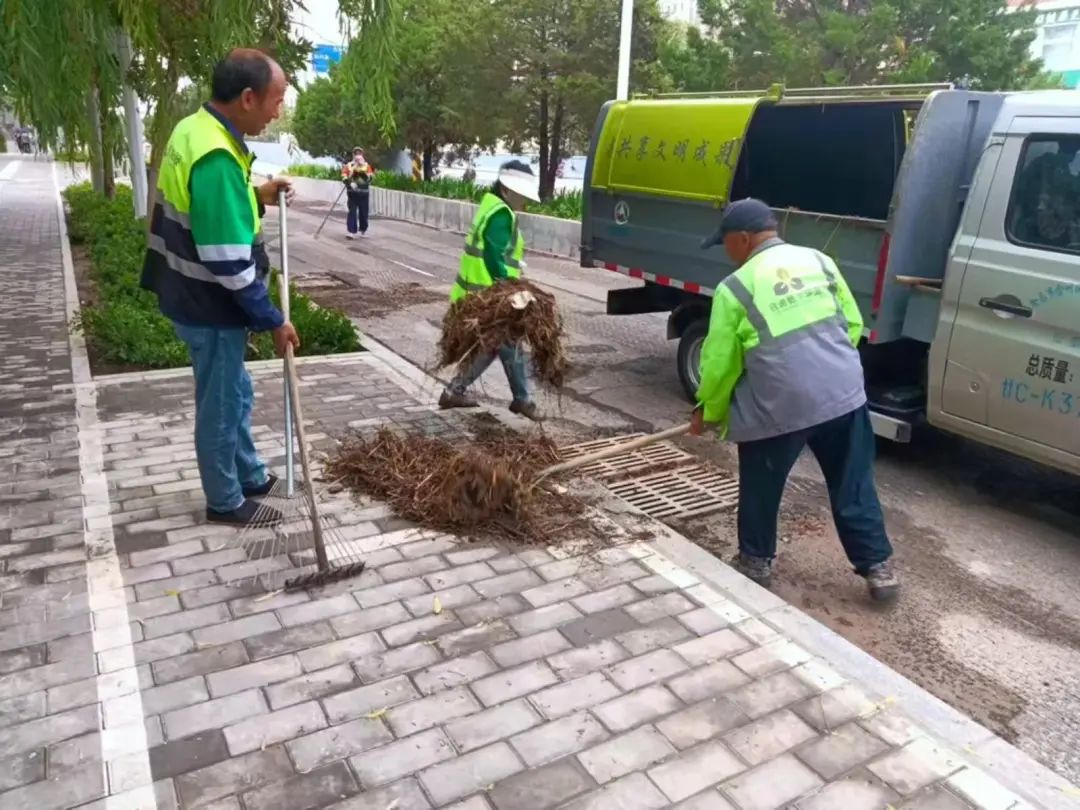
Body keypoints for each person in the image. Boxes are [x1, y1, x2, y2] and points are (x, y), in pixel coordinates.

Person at [691, 198, 899, 602]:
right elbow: (852, 322)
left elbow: (719, 364)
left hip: (781, 406)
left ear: (744, 238)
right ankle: (878, 567)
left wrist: (710, 412)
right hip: (844, 394)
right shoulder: (819, 261)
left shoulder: (734, 287)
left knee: (762, 485)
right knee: (853, 482)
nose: (726, 253)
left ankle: (755, 562)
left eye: (726, 243)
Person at [140, 49, 299, 528]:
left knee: (236, 392)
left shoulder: (198, 129)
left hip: (197, 294)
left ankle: (248, 472)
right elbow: (229, 263)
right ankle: (225, 500)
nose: (279, 111)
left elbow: (214, 210)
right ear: (248, 98)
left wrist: (257, 195)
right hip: (208, 301)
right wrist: (273, 319)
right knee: (222, 402)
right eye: (276, 100)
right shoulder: (216, 156)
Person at [438, 160, 541, 421]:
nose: (524, 202)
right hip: (487, 294)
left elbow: (496, 252)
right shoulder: (501, 214)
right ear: (506, 190)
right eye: (520, 195)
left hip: (479, 292)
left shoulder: (491, 205)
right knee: (504, 342)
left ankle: (459, 391)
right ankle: (521, 400)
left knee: (500, 344)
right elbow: (494, 254)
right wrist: (508, 286)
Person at [342, 147, 374, 239]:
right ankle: (351, 232)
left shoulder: (366, 166)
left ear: (362, 155)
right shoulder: (348, 166)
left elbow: (370, 179)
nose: (357, 155)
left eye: (359, 153)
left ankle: (363, 230)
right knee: (352, 212)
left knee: (363, 213)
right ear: (353, 155)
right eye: (356, 154)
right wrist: (349, 183)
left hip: (364, 194)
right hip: (352, 194)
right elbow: (344, 177)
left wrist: (361, 171)